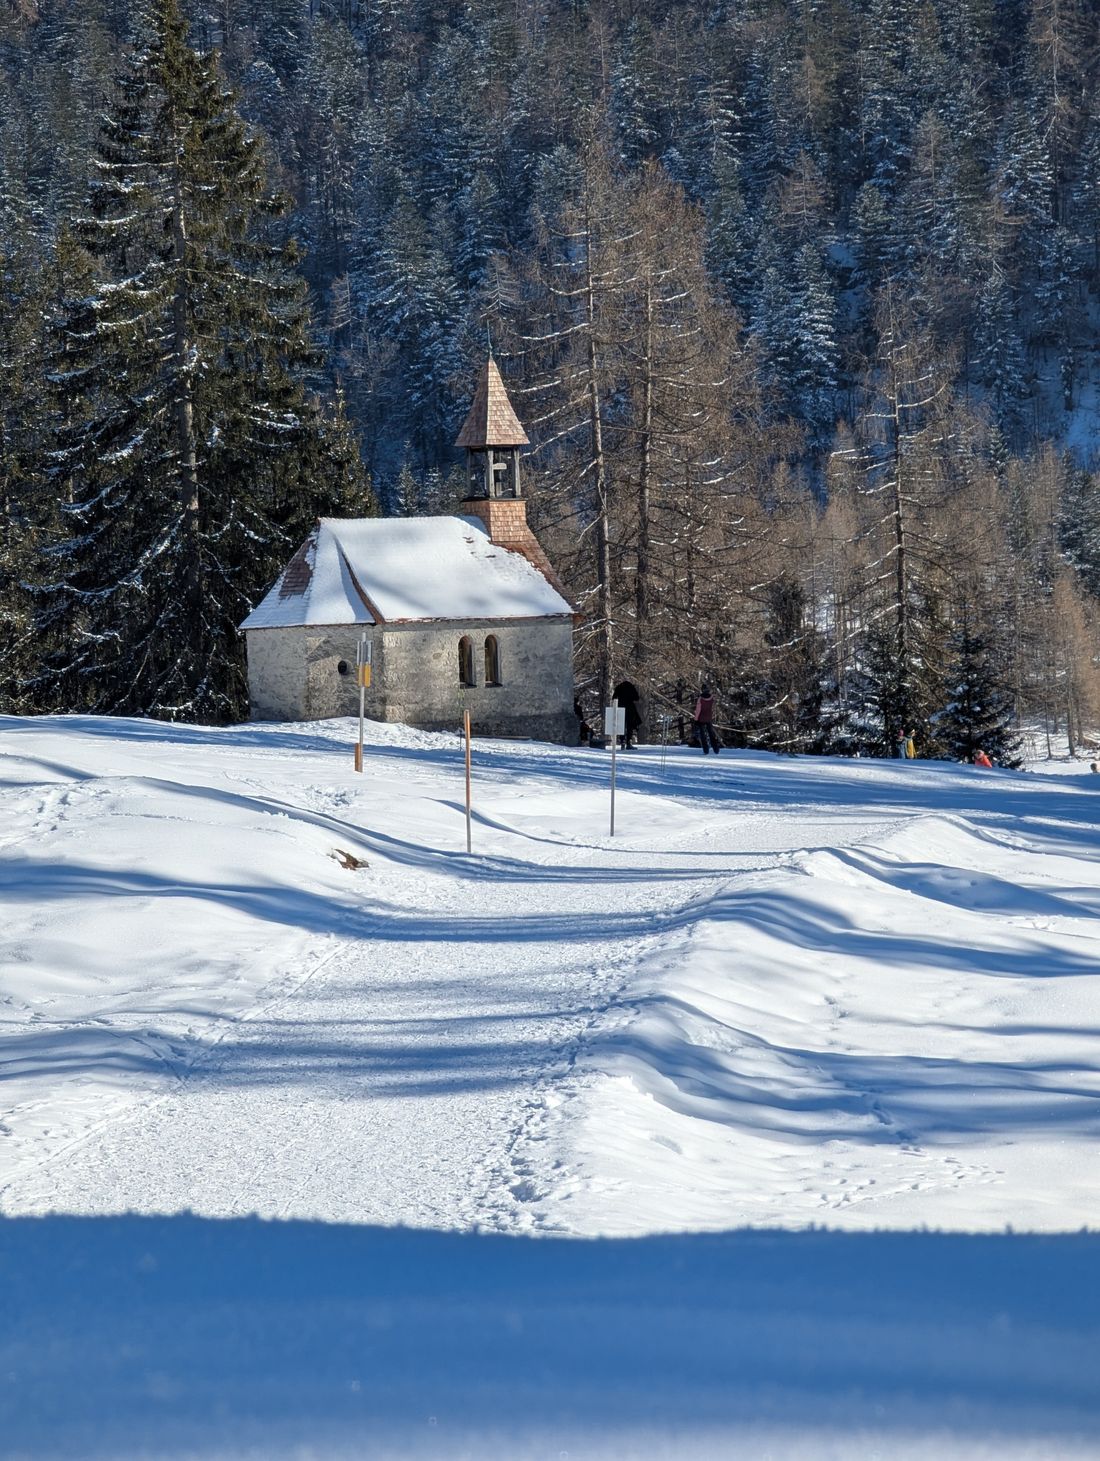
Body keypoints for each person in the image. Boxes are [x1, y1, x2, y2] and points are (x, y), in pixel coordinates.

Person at [612, 680, 642, 749]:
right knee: (630, 726)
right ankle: (629, 742)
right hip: (630, 708)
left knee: (621, 726)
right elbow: (636, 698)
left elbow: (614, 698)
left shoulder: (618, 687)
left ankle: (622, 741)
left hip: (620, 708)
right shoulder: (631, 687)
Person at [693, 683, 720, 755]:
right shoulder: (712, 698)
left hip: (701, 718)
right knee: (711, 733)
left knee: (702, 734)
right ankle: (716, 748)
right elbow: (713, 708)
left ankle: (706, 750)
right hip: (709, 718)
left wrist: (696, 719)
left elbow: (698, 710)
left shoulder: (700, 699)